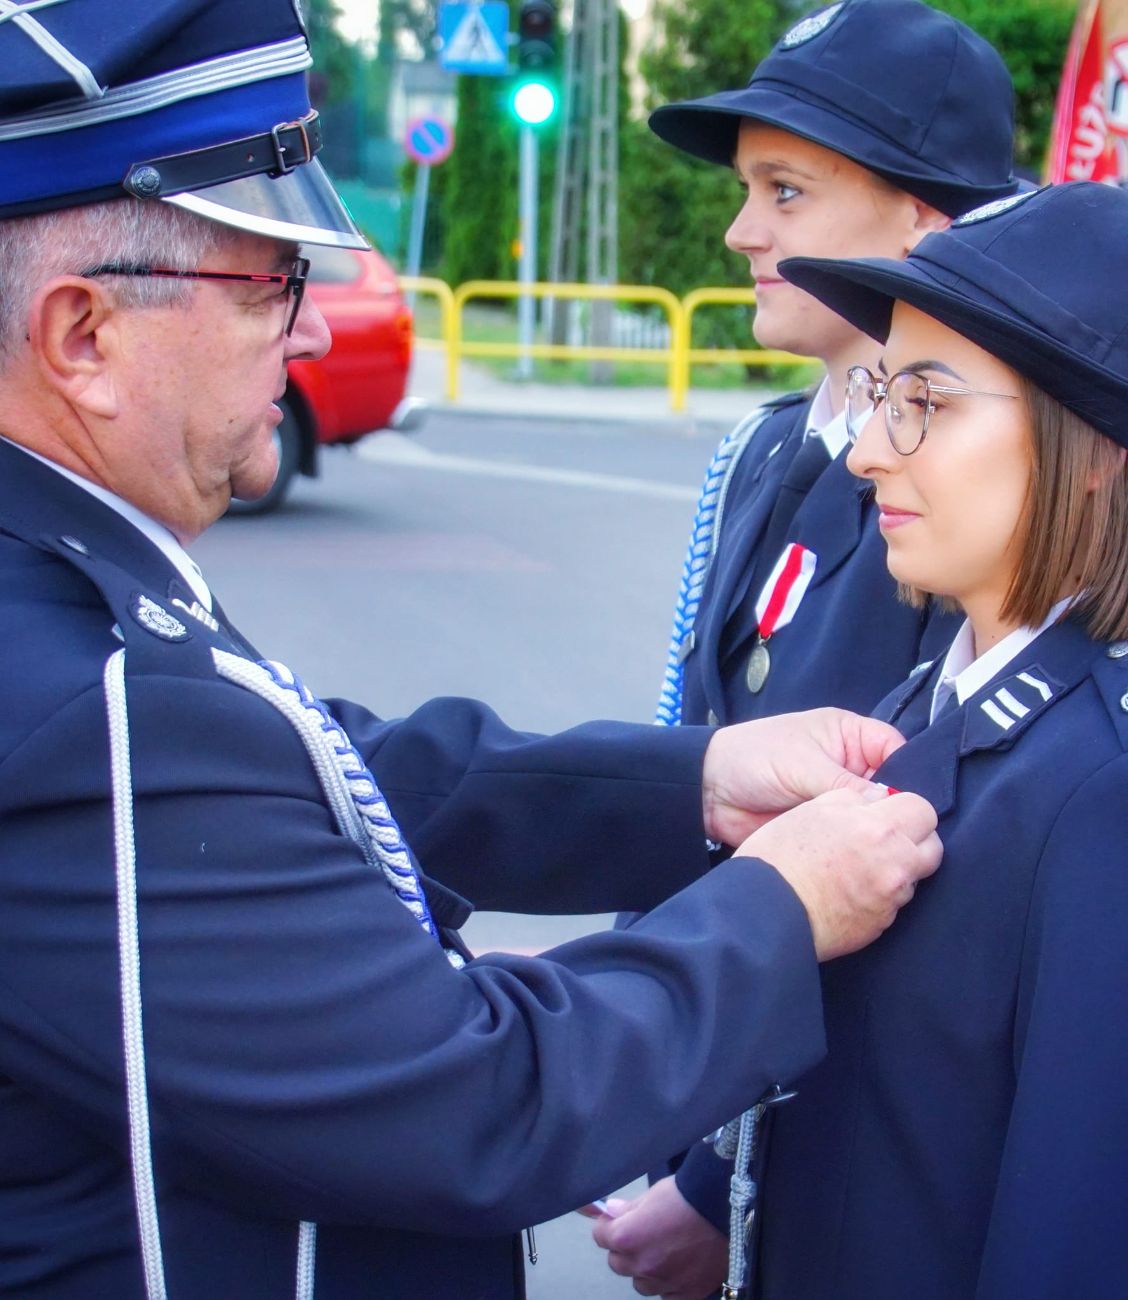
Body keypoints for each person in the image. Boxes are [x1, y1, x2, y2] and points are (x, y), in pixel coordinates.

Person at [0, 3, 944, 1297]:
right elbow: (477, 1109)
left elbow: (320, 767)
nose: (316, 330)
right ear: (82, 337)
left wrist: (698, 783)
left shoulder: (64, 593)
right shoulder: (81, 698)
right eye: (274, 282)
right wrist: (782, 904)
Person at [604, 179, 1128, 1298]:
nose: (866, 453)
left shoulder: (1098, 792)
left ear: (1093, 450)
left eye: (926, 404)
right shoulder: (912, 710)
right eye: (883, 392)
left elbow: (1067, 1231)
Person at [598, 1, 1019, 1286]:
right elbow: (698, 764)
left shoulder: (975, 496)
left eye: (786, 190)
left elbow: (929, 887)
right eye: (744, 190)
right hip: (703, 1056)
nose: (740, 231)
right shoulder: (766, 452)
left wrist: (720, 1183)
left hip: (837, 1146)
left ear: (924, 226)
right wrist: (626, 1016)